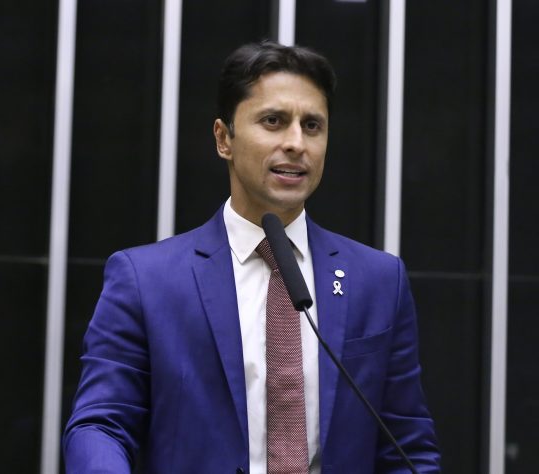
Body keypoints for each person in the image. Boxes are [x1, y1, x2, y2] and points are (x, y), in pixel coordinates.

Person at [63, 40, 440, 473]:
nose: (296, 143)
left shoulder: (378, 280)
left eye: (312, 126)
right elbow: (101, 425)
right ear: (224, 138)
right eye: (273, 121)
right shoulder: (146, 279)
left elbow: (407, 448)